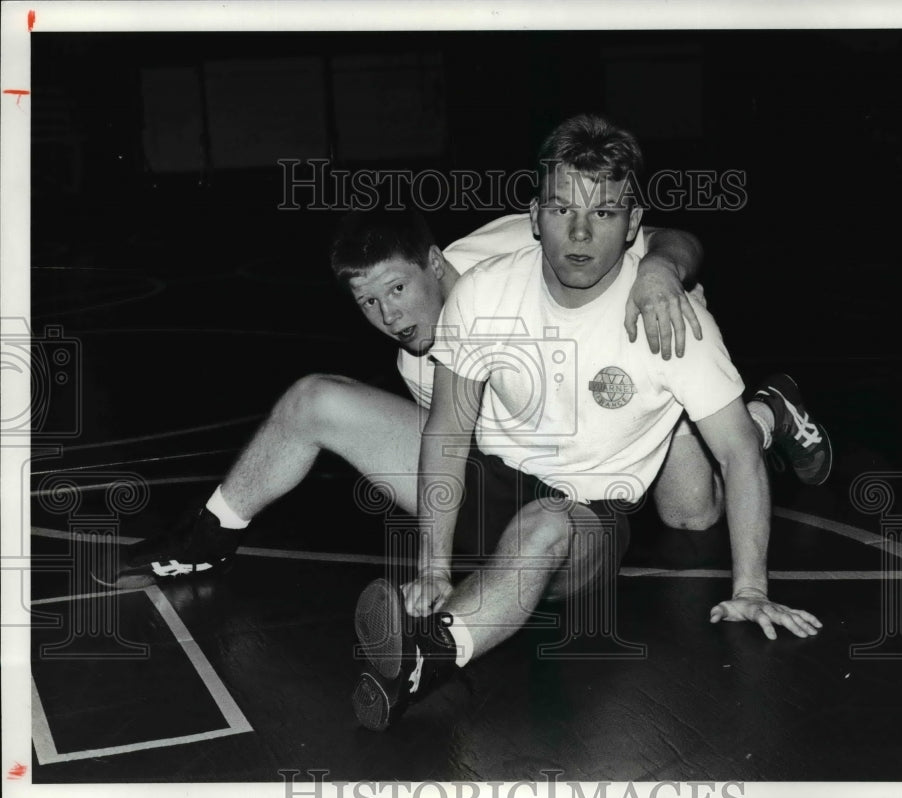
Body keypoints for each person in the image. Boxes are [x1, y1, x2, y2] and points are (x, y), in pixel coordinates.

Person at [351, 114, 828, 731]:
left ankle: (423, 658)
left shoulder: (670, 322)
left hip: (584, 519)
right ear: (533, 216)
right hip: (493, 484)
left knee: (567, 520)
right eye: (560, 210)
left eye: (603, 214)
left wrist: (752, 588)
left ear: (633, 225)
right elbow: (446, 431)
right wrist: (434, 564)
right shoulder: (482, 294)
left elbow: (739, 454)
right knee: (328, 401)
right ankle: (426, 650)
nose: (578, 233)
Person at [92, 206, 709, 588]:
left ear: (436, 265)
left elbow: (668, 235)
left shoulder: (506, 249)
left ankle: (757, 413)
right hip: (523, 482)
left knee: (691, 516)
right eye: (368, 303)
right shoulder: (417, 360)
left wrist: (660, 271)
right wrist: (436, 563)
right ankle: (210, 533)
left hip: (622, 403)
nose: (388, 315)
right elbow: (460, 459)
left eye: (396, 288)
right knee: (316, 398)